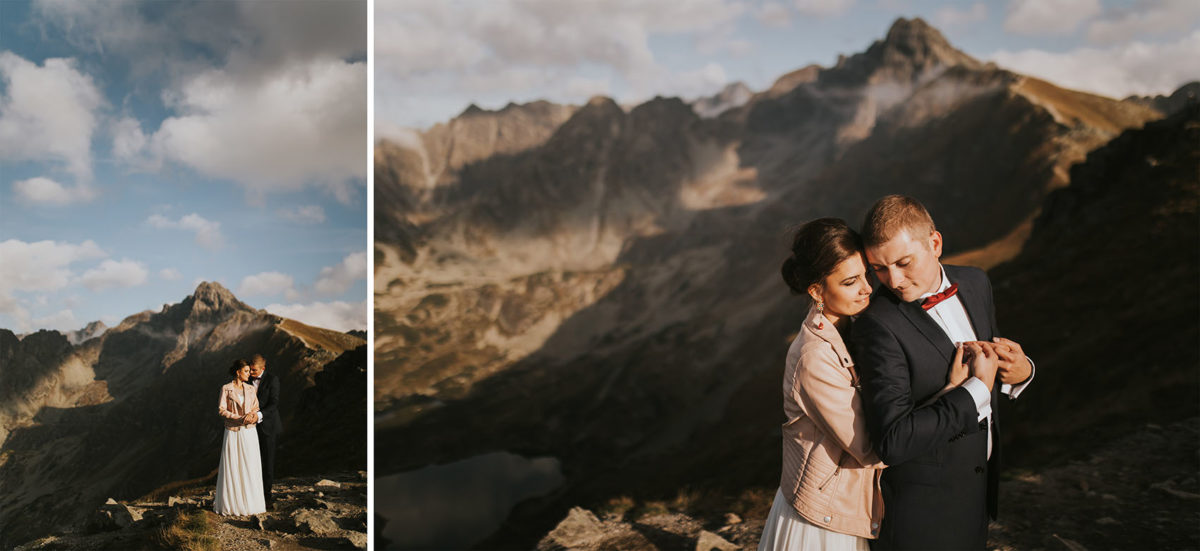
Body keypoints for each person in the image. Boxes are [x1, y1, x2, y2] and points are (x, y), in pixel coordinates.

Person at [759, 218, 973, 551]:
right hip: (825, 519)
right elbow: (874, 447)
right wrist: (951, 394)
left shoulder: (857, 326)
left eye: (866, 275)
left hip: (856, 505)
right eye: (850, 282)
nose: (867, 289)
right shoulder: (814, 359)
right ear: (817, 291)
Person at [851, 195, 1034, 550]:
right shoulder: (876, 325)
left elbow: (997, 366)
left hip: (977, 496)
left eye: (904, 263)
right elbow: (893, 441)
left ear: (934, 244)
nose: (893, 280)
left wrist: (1021, 373)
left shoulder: (976, 282)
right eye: (879, 268)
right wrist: (976, 389)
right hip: (921, 516)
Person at [214, 359, 266, 516]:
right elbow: (221, 410)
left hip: (249, 431)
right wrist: (238, 418)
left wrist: (254, 416)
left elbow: (256, 407)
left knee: (250, 465)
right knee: (234, 465)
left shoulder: (251, 389)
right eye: (246, 371)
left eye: (250, 371)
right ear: (237, 372)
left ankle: (251, 504)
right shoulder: (226, 388)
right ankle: (233, 504)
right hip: (233, 431)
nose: (249, 374)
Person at [249, 354, 281, 510]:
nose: (251, 373)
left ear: (263, 368)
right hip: (249, 427)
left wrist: (259, 415)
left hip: (267, 426)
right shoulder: (246, 378)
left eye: (254, 370)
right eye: (250, 370)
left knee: (267, 462)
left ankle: (267, 497)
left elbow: (274, 402)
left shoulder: (272, 379)